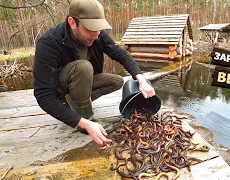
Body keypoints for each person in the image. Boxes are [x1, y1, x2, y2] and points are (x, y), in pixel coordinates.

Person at [33, 0, 155, 147]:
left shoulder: (97, 34)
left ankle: (76, 104)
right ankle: (85, 118)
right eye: (91, 29)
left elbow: (120, 54)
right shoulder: (48, 43)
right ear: (72, 23)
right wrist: (83, 122)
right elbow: (43, 96)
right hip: (59, 91)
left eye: (99, 29)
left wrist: (141, 79)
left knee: (116, 81)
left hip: (79, 84)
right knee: (84, 67)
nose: (96, 35)